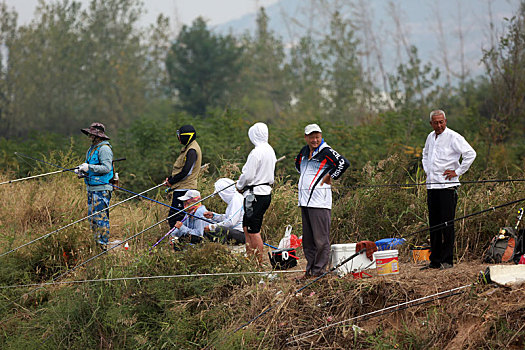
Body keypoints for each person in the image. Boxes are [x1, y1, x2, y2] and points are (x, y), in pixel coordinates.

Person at [421, 110, 476, 270]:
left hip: (447, 187)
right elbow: (425, 154)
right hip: (432, 186)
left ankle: (447, 260)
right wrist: (428, 170)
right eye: (435, 123)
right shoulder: (430, 137)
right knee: (434, 225)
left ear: (445, 121)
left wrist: (457, 172)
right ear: (431, 123)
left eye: (441, 122)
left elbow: (470, 154)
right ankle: (435, 261)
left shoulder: (454, 137)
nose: (439, 125)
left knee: (447, 224)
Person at [295, 124, 350, 277]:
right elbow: (298, 165)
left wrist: (329, 177)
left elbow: (343, 163)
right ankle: (310, 270)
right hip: (305, 201)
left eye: (317, 136)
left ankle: (319, 272)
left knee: (321, 240)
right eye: (311, 137)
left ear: (321, 136)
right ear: (306, 137)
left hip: (319, 202)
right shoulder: (305, 151)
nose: (314, 140)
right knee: (308, 240)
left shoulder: (326, 151)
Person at [236, 122, 276, 263]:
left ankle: (258, 263)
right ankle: (249, 259)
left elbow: (248, 176)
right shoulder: (270, 150)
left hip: (256, 194)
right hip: (262, 192)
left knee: (254, 229)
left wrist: (239, 185)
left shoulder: (257, 152)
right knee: (246, 226)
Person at [78, 122, 114, 250]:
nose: (89, 136)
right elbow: (92, 168)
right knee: (92, 219)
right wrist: (83, 171)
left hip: (102, 189)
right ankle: (95, 245)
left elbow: (106, 168)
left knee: (100, 218)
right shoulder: (92, 149)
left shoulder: (104, 149)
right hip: (91, 188)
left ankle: (102, 246)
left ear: (98, 136)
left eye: (91, 134)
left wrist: (89, 167)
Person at [164, 125, 202, 229]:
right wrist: (170, 178)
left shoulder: (192, 150)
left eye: (179, 135)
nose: (178, 138)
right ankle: (178, 241)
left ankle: (178, 242)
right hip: (180, 188)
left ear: (187, 136)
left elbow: (186, 172)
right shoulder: (188, 148)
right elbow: (181, 169)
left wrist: (172, 181)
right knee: (175, 217)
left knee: (175, 218)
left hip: (185, 189)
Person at [203, 178, 246, 245]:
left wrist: (212, 227)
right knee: (210, 230)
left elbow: (231, 222)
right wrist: (214, 216)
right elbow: (227, 217)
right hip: (235, 232)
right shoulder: (234, 199)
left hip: (240, 233)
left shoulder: (236, 200)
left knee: (217, 230)